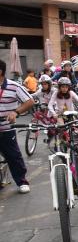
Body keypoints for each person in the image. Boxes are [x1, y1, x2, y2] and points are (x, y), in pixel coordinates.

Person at [0, 59, 34, 193]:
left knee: (13, 156)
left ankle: (21, 181)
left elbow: (30, 101)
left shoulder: (14, 86)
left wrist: (16, 111)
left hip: (7, 128)